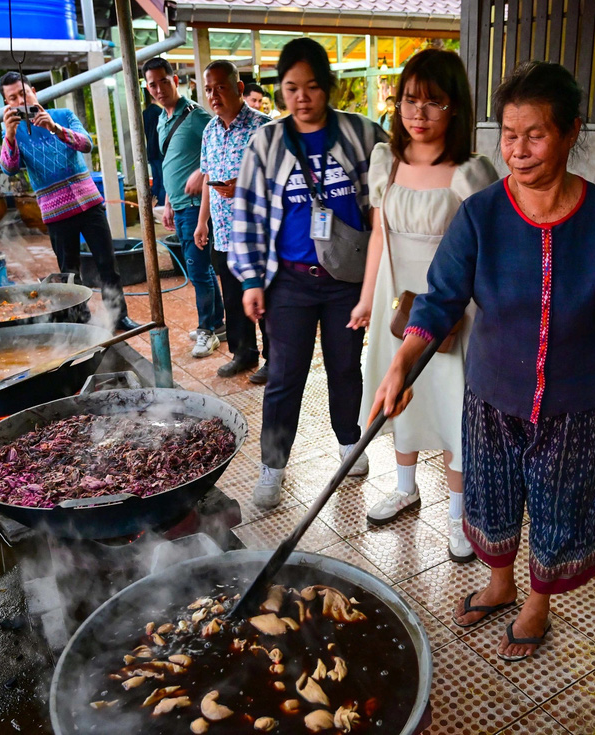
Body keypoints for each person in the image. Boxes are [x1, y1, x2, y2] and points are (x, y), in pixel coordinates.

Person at [371, 61, 595, 661]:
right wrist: (402, 363)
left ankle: (537, 604)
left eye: (535, 134)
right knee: (493, 497)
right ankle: (500, 583)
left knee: (560, 506)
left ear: (572, 131)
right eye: (508, 134)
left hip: (577, 401)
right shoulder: (482, 214)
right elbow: (441, 297)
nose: (517, 150)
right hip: (494, 388)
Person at [346, 49, 497, 562]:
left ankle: (458, 515)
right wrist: (367, 299)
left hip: (451, 309)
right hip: (395, 301)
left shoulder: (471, 173)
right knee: (397, 394)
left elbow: (489, 253)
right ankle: (405, 487)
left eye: (434, 102)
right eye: (411, 99)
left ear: (455, 108)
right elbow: (378, 240)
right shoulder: (385, 161)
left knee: (452, 406)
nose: (419, 112)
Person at [231, 37, 388, 509]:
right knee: (284, 375)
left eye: (313, 87)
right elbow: (249, 212)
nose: (302, 97)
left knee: (345, 367)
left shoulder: (364, 134)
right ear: (280, 90)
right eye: (291, 87)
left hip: (347, 281)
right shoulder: (268, 142)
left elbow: (387, 204)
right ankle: (272, 466)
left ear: (330, 88)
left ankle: (348, 441)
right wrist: (252, 279)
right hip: (289, 282)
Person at [0, 72, 138, 331]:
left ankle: (119, 317)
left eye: (23, 92)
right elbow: (9, 168)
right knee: (69, 272)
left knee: (108, 263)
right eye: (13, 98)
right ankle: (80, 320)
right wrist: (9, 135)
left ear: (34, 91)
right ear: (7, 104)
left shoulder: (62, 115)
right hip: (56, 213)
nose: (20, 100)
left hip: (88, 203)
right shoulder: (13, 132)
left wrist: (54, 127)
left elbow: (86, 145)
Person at [193, 60, 272, 382]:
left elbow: (280, 180)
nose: (213, 96)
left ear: (239, 88)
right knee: (233, 298)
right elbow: (209, 177)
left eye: (220, 87)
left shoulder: (264, 128)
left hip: (259, 235)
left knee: (265, 298)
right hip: (223, 232)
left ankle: (274, 358)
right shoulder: (210, 130)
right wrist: (203, 223)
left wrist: (245, 185)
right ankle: (243, 353)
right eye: (208, 89)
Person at [143, 57, 225, 358]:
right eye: (152, 84)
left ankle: (207, 330)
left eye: (164, 81)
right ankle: (217, 324)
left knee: (198, 270)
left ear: (174, 79)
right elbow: (169, 163)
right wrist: (167, 203)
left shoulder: (196, 116)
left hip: (196, 206)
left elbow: (220, 144)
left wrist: (202, 172)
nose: (159, 88)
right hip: (179, 205)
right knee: (201, 268)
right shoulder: (162, 118)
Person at [143, 89, 165, 206]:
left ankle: (154, 205)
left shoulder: (145, 113)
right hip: (160, 151)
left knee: (156, 180)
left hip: (150, 151)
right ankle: (161, 205)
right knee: (163, 181)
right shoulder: (161, 113)